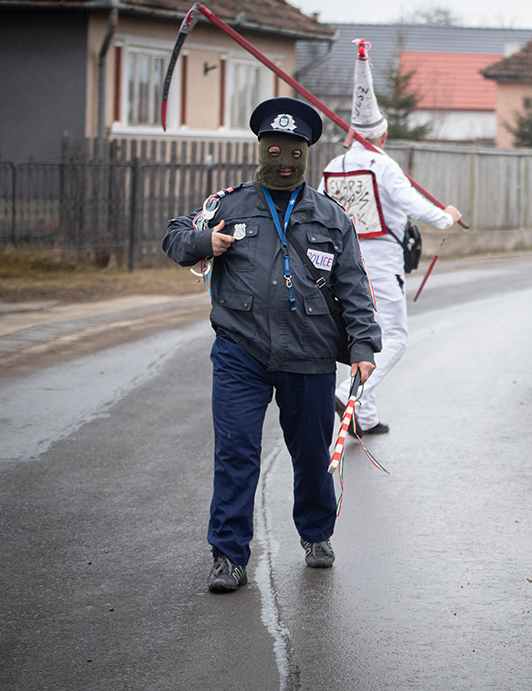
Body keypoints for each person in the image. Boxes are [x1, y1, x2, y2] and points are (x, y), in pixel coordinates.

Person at [162, 97, 383, 593]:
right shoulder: (228, 204)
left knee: (309, 452)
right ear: (262, 148)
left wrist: (365, 346)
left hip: (309, 354)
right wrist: (205, 245)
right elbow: (175, 238)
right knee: (236, 451)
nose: (285, 162)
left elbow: (353, 285)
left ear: (307, 155)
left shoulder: (332, 216)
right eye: (275, 150)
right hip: (241, 350)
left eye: (295, 153)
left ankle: (316, 535)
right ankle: (228, 556)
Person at [319, 39, 462, 435]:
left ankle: (364, 418)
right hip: (380, 262)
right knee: (394, 337)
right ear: (381, 136)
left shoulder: (333, 166)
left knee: (362, 334)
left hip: (339, 264)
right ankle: (350, 394)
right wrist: (447, 217)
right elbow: (414, 205)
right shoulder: (385, 166)